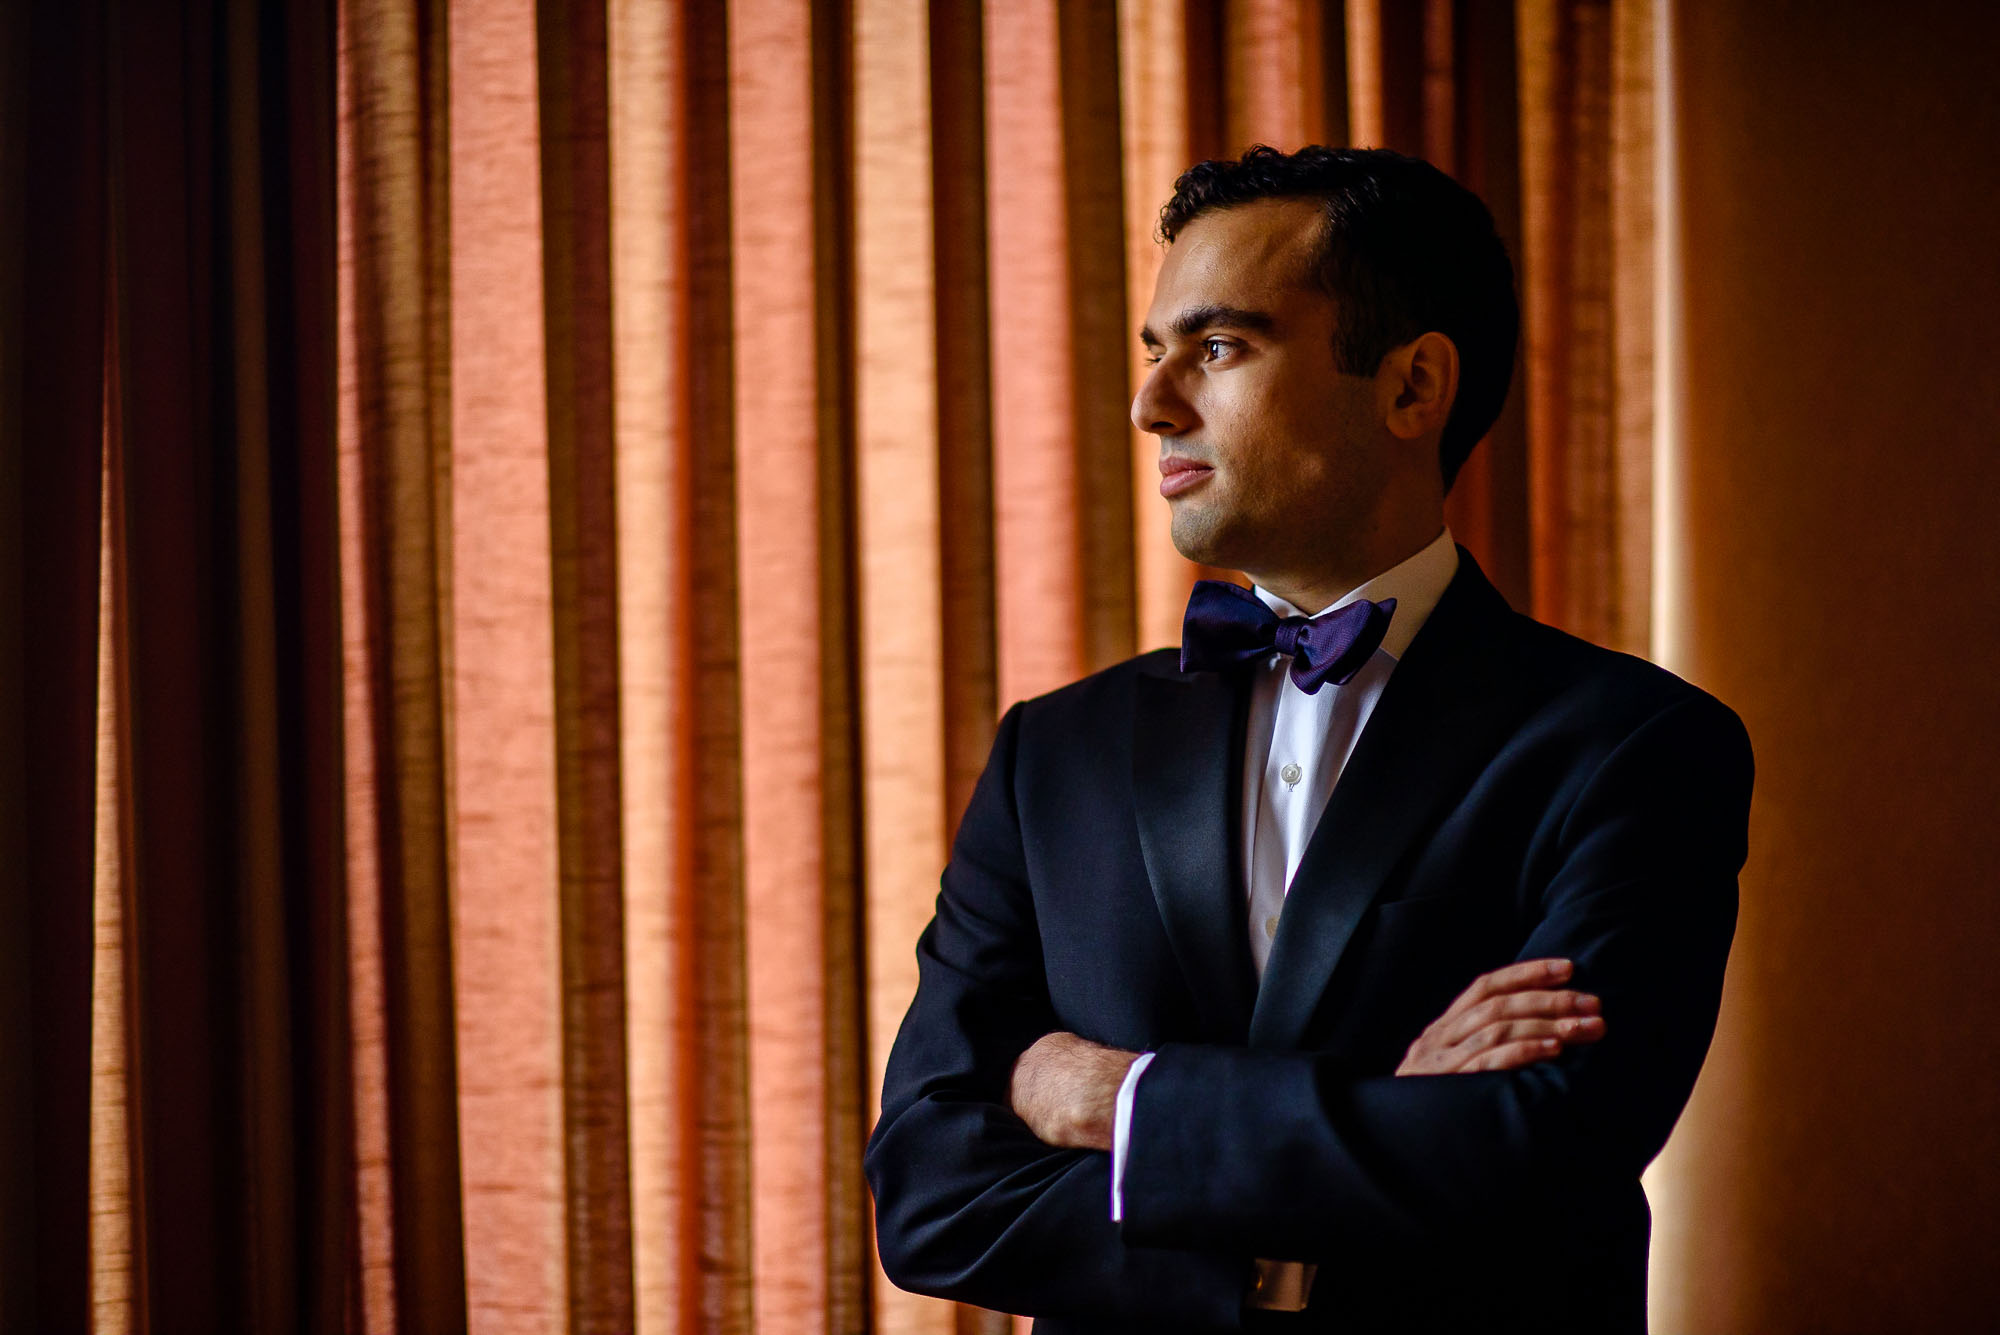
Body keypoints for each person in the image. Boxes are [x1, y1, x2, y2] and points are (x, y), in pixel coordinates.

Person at [864, 145, 1752, 1333]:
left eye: (1217, 347)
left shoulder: (1635, 748)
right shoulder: (1052, 758)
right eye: (1152, 353)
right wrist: (1365, 1133)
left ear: (1409, 388)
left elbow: (1538, 1153)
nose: (1150, 403)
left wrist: (1119, 1100)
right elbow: (929, 1192)